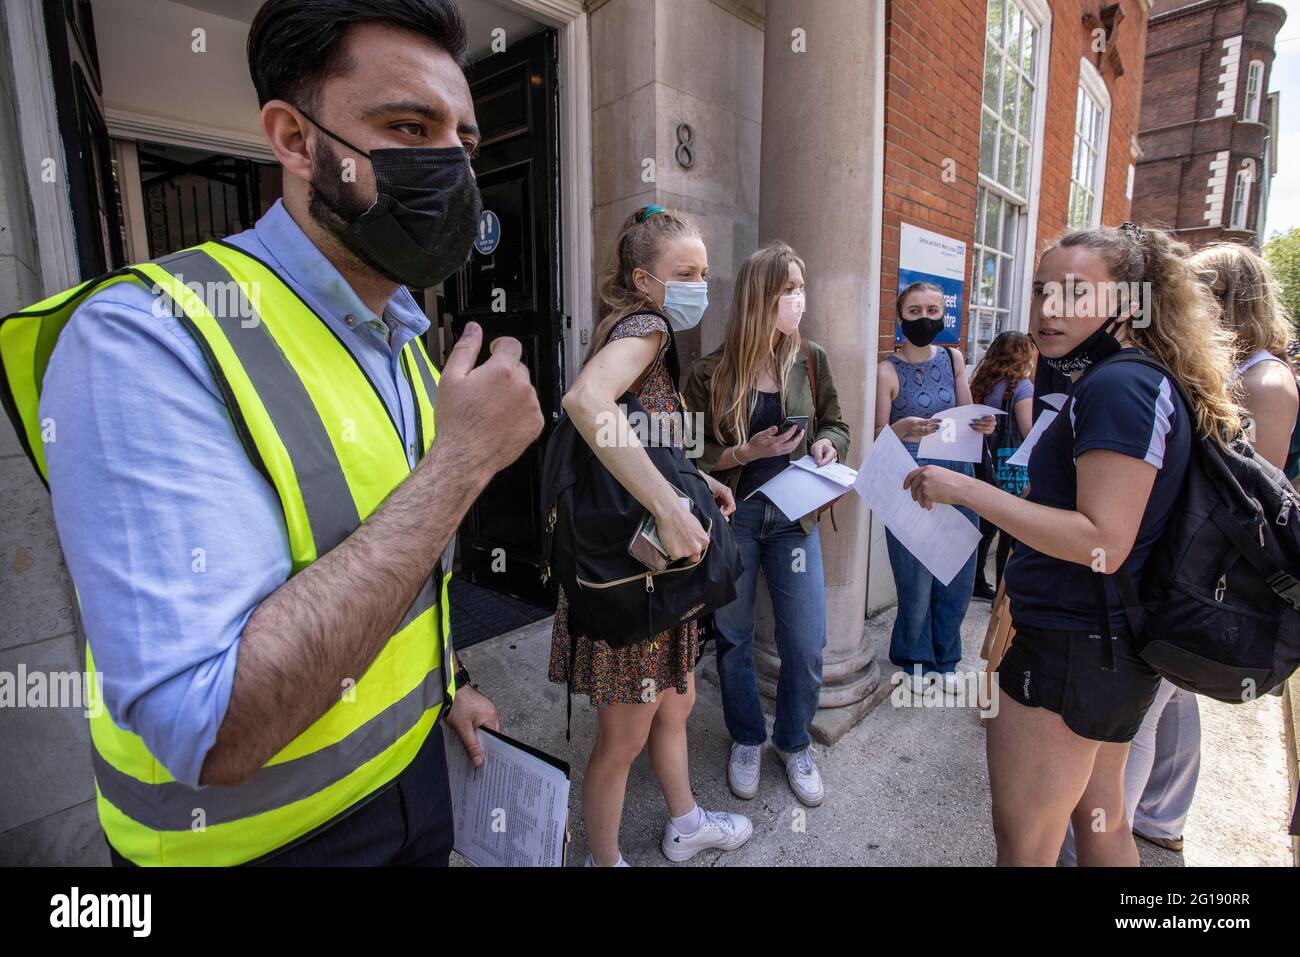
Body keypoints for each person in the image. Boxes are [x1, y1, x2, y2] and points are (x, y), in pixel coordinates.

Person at [0, 0, 545, 866]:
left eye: (464, 141)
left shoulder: (401, 339)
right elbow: (207, 727)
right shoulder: (144, 337)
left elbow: (400, 571)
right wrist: (464, 463)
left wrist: (452, 686)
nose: (449, 162)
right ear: (295, 139)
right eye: (409, 125)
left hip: (415, 783)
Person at [903, 223, 1243, 866]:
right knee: (1102, 822)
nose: (1049, 309)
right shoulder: (1131, 377)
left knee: (1025, 848)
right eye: (1040, 291)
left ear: (1129, 302)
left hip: (1070, 648)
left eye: (1075, 292)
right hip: (1105, 645)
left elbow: (1101, 542)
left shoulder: (1120, 385)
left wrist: (963, 491)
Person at [548, 205, 752, 867]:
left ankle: (685, 820)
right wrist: (669, 508)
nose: (701, 283)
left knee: (678, 702)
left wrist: (695, 481)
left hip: (657, 581)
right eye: (685, 272)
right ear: (644, 279)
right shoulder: (647, 326)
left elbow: (644, 438)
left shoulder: (643, 337)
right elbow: (586, 402)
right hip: (635, 581)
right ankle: (603, 860)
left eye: (705, 271)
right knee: (621, 741)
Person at [684, 241, 850, 807]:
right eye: (790, 290)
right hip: (733, 516)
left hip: (793, 519)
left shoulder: (810, 359)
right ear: (761, 297)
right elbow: (688, 456)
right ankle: (748, 737)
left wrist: (829, 444)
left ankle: (795, 741)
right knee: (732, 638)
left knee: (805, 642)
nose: (801, 300)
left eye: (802, 288)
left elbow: (838, 423)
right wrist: (744, 453)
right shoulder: (710, 372)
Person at [873, 282, 995, 694]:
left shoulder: (954, 358)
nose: (925, 318)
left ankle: (947, 658)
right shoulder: (886, 371)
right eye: (915, 310)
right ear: (900, 317)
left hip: (958, 475)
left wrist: (984, 423)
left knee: (957, 574)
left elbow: (965, 413)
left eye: (933, 309)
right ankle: (914, 658)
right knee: (916, 580)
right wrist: (901, 428)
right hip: (911, 479)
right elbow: (877, 438)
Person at [969, 332, 1036, 600]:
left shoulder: (983, 381)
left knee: (984, 526)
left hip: (983, 462)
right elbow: (1027, 429)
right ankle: (1003, 592)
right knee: (1009, 528)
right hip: (1011, 465)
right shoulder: (1022, 386)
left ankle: (976, 582)